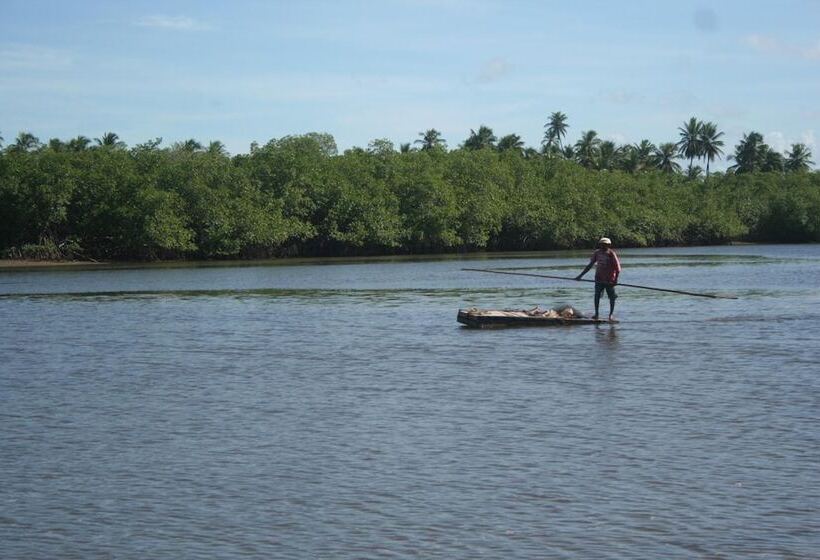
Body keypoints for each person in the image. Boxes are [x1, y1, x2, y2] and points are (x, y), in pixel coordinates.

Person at [576, 237, 621, 321]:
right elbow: (590, 265)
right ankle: (596, 314)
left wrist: (615, 280)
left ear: (609, 245)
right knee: (597, 296)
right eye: (601, 244)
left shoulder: (611, 254)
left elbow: (618, 268)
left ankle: (610, 314)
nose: (603, 246)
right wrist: (580, 276)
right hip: (599, 278)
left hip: (609, 280)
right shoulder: (597, 253)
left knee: (612, 297)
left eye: (605, 245)